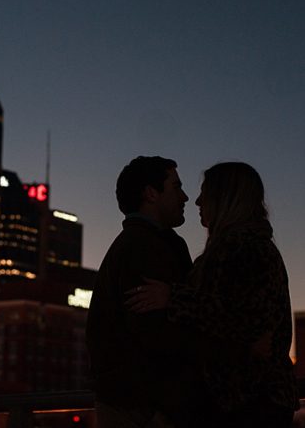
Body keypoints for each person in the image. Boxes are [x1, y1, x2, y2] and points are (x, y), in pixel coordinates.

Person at [126, 162, 299, 427]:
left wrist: (174, 298)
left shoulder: (246, 249)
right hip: (245, 403)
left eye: (204, 192)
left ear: (225, 198)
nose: (196, 201)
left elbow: (242, 318)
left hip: (246, 405)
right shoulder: (241, 248)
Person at [85, 156, 195, 427]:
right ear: (151, 194)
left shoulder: (136, 245)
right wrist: (169, 408)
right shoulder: (146, 248)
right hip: (145, 409)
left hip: (132, 403)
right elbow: (156, 334)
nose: (186, 197)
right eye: (176, 187)